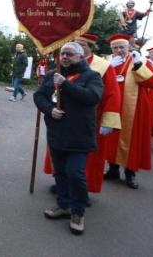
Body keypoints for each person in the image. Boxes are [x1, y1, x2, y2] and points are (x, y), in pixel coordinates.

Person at [34, 42, 103, 236]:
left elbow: (92, 97)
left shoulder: (92, 76)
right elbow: (39, 96)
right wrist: (49, 109)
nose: (65, 57)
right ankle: (64, 206)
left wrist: (66, 84)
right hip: (57, 133)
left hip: (79, 136)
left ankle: (78, 213)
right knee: (60, 173)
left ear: (80, 57)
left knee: (75, 173)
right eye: (63, 53)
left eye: (70, 54)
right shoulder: (52, 75)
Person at [43, 33, 121, 196]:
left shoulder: (103, 66)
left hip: (89, 119)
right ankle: (63, 187)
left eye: (83, 45)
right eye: (76, 43)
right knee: (61, 155)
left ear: (90, 48)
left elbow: (112, 94)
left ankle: (81, 192)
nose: (79, 46)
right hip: (62, 119)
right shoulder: (64, 65)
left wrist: (109, 120)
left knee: (84, 162)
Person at [104, 34, 153, 188]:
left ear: (128, 47)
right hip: (113, 108)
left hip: (135, 109)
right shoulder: (108, 62)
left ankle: (130, 174)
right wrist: (108, 67)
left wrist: (138, 66)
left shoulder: (141, 61)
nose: (119, 50)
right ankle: (113, 169)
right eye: (115, 48)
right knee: (112, 139)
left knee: (132, 140)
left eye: (122, 47)